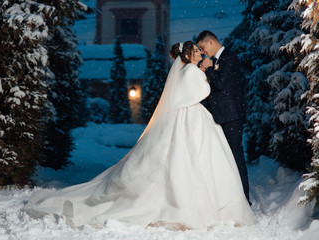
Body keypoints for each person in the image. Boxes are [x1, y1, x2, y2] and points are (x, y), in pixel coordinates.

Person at [25, 41, 253, 230]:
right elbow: (201, 92)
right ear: (188, 56)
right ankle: (200, 205)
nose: (200, 53)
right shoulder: (192, 71)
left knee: (187, 159)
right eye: (196, 52)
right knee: (195, 160)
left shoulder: (186, 71)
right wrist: (205, 73)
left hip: (191, 118)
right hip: (192, 118)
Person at [196, 30, 250, 204]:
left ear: (211, 41)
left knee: (236, 157)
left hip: (231, 116)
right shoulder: (218, 60)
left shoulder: (230, 58)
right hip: (221, 116)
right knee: (225, 158)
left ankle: (244, 198)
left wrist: (209, 69)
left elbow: (220, 84)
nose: (203, 52)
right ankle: (232, 198)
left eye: (203, 48)